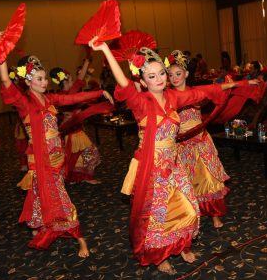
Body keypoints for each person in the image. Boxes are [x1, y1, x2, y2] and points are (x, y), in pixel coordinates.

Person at [88, 38, 234, 275]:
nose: (159, 79)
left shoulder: (173, 98)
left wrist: (232, 85)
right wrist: (105, 49)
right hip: (152, 168)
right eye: (152, 76)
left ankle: (180, 245)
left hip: (173, 165)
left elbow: (200, 93)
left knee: (188, 208)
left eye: (161, 74)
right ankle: (159, 257)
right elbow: (123, 83)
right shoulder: (140, 102)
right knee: (158, 216)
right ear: (143, 80)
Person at [0, 54, 105, 257]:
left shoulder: (50, 99)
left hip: (57, 156)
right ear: (28, 80)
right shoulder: (24, 102)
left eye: (45, 78)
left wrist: (99, 92)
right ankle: (79, 237)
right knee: (59, 197)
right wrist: (2, 54)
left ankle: (37, 223)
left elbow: (73, 97)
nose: (44, 82)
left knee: (41, 192)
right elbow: (5, 81)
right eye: (39, 79)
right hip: (41, 160)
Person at [166, 50, 236, 229]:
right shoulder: (167, 96)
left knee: (208, 178)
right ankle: (190, 216)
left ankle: (214, 216)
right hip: (180, 144)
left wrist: (238, 83)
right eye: (171, 74)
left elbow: (215, 89)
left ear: (186, 74)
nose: (174, 78)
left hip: (200, 141)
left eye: (178, 74)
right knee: (185, 181)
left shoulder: (196, 91)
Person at [49, 59, 113, 185]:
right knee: (89, 154)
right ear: (66, 81)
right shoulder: (67, 94)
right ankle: (79, 177)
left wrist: (87, 62)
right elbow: (80, 79)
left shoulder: (61, 94)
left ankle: (75, 177)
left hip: (72, 132)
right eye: (71, 80)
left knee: (76, 157)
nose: (74, 81)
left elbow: (80, 80)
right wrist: (87, 62)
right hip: (74, 134)